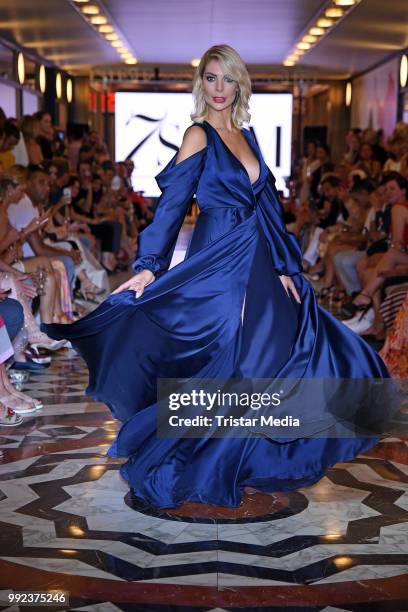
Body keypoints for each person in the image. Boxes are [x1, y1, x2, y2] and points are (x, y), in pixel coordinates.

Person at [43, 44, 400, 510]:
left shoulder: (248, 136)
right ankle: (210, 457)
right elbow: (170, 207)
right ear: (201, 83)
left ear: (239, 84)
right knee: (233, 359)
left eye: (226, 78)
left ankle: (252, 456)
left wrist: (287, 266)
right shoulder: (197, 135)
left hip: (260, 258)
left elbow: (268, 207)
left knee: (282, 350)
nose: (218, 88)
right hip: (219, 257)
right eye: (210, 78)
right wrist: (150, 266)